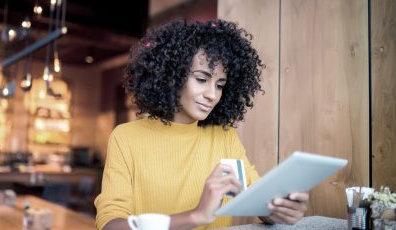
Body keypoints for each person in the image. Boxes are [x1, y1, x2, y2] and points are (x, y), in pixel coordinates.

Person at [94, 19, 308, 230]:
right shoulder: (126, 137)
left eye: (220, 85)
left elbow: (257, 198)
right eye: (201, 79)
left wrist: (278, 209)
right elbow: (111, 224)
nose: (212, 95)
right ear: (172, 75)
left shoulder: (224, 136)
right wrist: (195, 217)